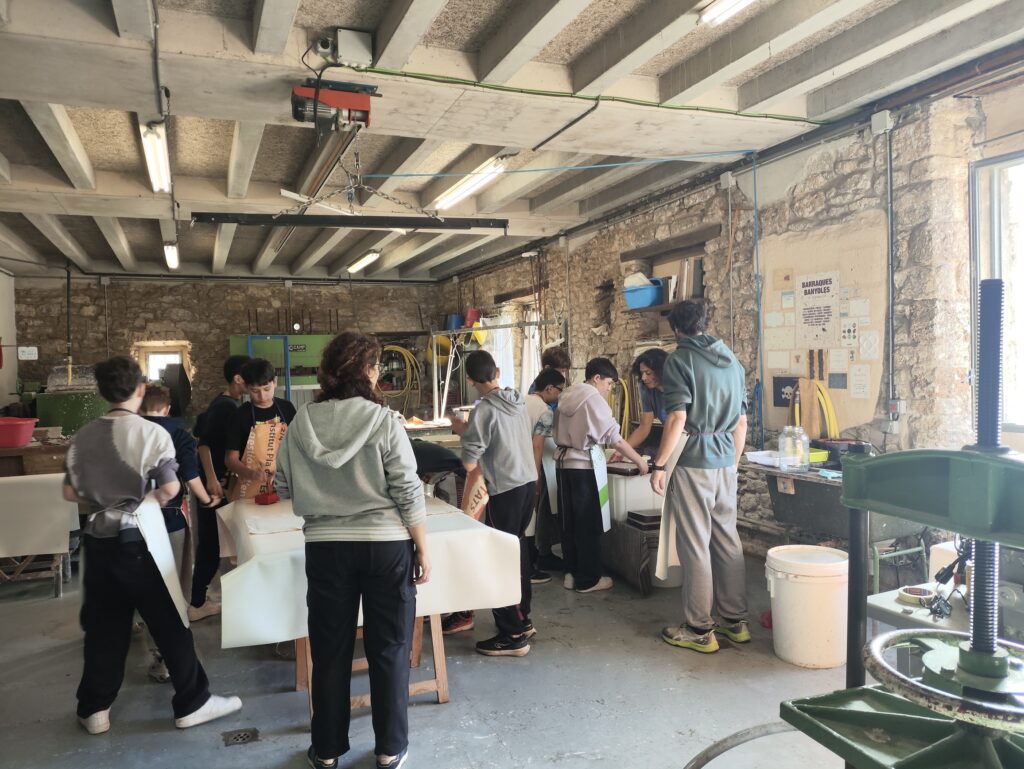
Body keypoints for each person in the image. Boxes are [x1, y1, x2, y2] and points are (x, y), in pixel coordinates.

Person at [64, 356, 241, 735]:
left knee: (105, 627)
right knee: (170, 622)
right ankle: (192, 702)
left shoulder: (83, 436)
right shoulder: (152, 434)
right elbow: (171, 488)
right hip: (139, 540)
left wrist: (104, 498)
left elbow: (69, 492)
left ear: (102, 392)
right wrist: (144, 499)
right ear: (140, 390)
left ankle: (95, 709)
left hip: (98, 541)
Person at [276, 332, 429, 769]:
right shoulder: (384, 420)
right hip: (385, 546)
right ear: (369, 372)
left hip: (326, 547)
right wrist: (422, 547)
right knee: (389, 647)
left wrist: (323, 492)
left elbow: (283, 484)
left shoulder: (301, 422)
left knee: (330, 649)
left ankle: (326, 750)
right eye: (376, 366)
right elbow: (407, 488)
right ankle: (389, 748)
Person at [650, 300, 749, 654]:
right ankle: (735, 621)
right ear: (704, 323)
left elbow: (677, 418)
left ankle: (698, 629)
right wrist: (732, 464)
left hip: (694, 460)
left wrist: (659, 464)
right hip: (725, 460)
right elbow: (741, 422)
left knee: (695, 543)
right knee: (727, 539)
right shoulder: (732, 360)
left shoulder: (680, 360)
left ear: (676, 329)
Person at [449, 350, 537, 657]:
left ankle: (512, 635)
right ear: (497, 371)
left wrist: (462, 436)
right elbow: (497, 436)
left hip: (505, 491)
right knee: (517, 551)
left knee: (500, 558)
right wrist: (466, 429)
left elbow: (470, 461)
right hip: (527, 484)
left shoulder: (484, 408)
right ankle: (523, 620)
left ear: (470, 380)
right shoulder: (517, 400)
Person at [140, 384, 218, 682]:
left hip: (130, 522)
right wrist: (207, 499)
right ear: (168, 407)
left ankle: (141, 629)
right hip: (168, 519)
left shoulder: (129, 431)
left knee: (143, 586)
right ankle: (166, 658)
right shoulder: (178, 434)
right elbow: (190, 475)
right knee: (172, 588)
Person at [552, 357, 648, 593]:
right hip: (583, 467)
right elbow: (615, 439)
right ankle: (588, 580)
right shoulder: (593, 399)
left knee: (568, 522)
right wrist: (639, 461)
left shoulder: (566, 395)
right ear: (596, 378)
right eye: (608, 383)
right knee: (587, 523)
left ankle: (571, 574)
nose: (608, 389)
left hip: (562, 465)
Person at [190, 353, 249, 621]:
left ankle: (200, 598)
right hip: (214, 487)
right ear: (238, 378)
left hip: (220, 484)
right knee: (211, 545)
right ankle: (197, 603)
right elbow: (204, 444)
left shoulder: (229, 404)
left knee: (216, 544)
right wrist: (212, 480)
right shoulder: (225, 406)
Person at [224, 358, 296, 502]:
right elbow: (230, 459)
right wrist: (251, 474)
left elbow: (297, 447)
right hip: (249, 488)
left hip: (284, 485)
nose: (262, 396)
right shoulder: (240, 415)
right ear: (246, 387)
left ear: (275, 382)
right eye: (255, 391)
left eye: (267, 389)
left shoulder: (287, 408)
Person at [524, 367, 566, 584]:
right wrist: (537, 477)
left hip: (511, 467)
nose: (560, 395)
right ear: (549, 388)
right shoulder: (545, 411)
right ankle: (529, 569)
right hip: (527, 470)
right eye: (560, 390)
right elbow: (537, 446)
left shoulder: (521, 401)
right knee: (530, 520)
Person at [625, 348, 669, 454]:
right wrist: (622, 450)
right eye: (642, 373)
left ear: (661, 372)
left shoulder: (678, 389)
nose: (643, 378)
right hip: (670, 436)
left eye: (648, 373)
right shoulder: (646, 389)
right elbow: (644, 426)